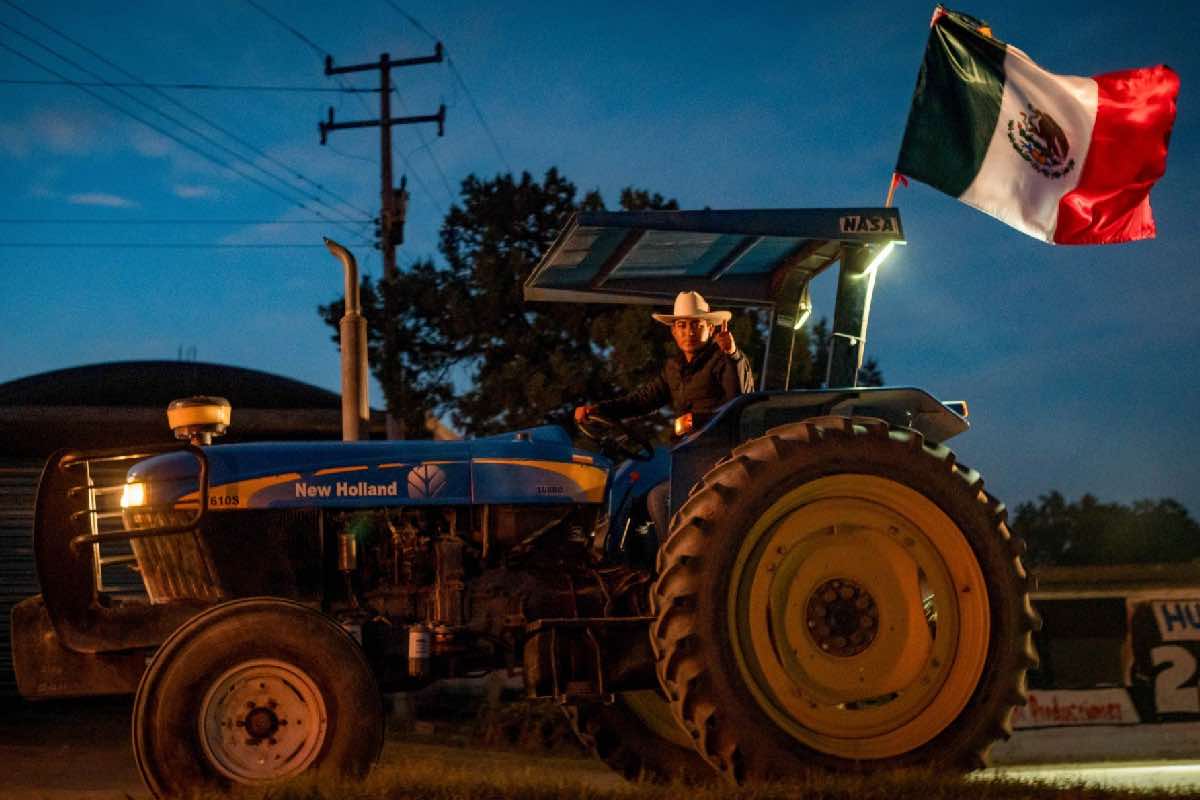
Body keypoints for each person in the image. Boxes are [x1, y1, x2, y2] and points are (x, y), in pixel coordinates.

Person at [574, 291, 754, 538]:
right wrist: (598, 409)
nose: (689, 332)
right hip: (684, 455)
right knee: (630, 488)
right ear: (673, 331)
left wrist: (732, 354)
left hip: (715, 458)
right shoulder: (674, 368)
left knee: (659, 498)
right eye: (682, 325)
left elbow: (740, 402)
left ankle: (668, 564)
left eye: (696, 325)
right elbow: (642, 400)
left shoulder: (724, 360)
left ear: (710, 328)